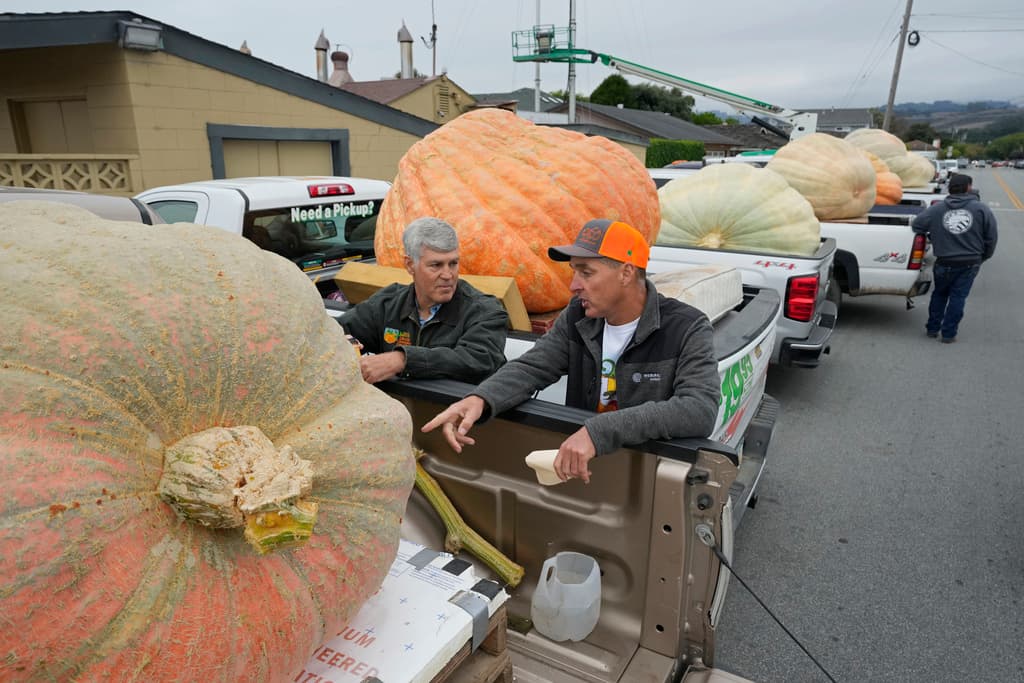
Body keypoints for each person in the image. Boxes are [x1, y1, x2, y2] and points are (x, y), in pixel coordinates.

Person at [422, 218, 720, 484]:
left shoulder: (687, 328)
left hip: (645, 480)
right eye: (574, 271)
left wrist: (598, 431)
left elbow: (699, 409)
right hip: (580, 471)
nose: (574, 285)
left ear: (627, 273)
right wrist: (480, 398)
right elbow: (533, 367)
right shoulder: (578, 316)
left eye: (586, 272)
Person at [337, 217, 508, 383]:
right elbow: (334, 330)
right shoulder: (387, 304)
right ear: (410, 265)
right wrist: (344, 343)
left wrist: (402, 359)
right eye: (436, 265)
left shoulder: (485, 311)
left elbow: (479, 361)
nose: (448, 275)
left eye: (453, 263)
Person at [912, 173, 997, 343]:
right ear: (968, 188)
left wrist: (934, 231)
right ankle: (949, 334)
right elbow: (991, 237)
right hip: (970, 262)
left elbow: (917, 224)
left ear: (950, 188)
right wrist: (983, 257)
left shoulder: (938, 209)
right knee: (958, 298)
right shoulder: (981, 209)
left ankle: (932, 328)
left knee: (939, 295)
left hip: (944, 261)